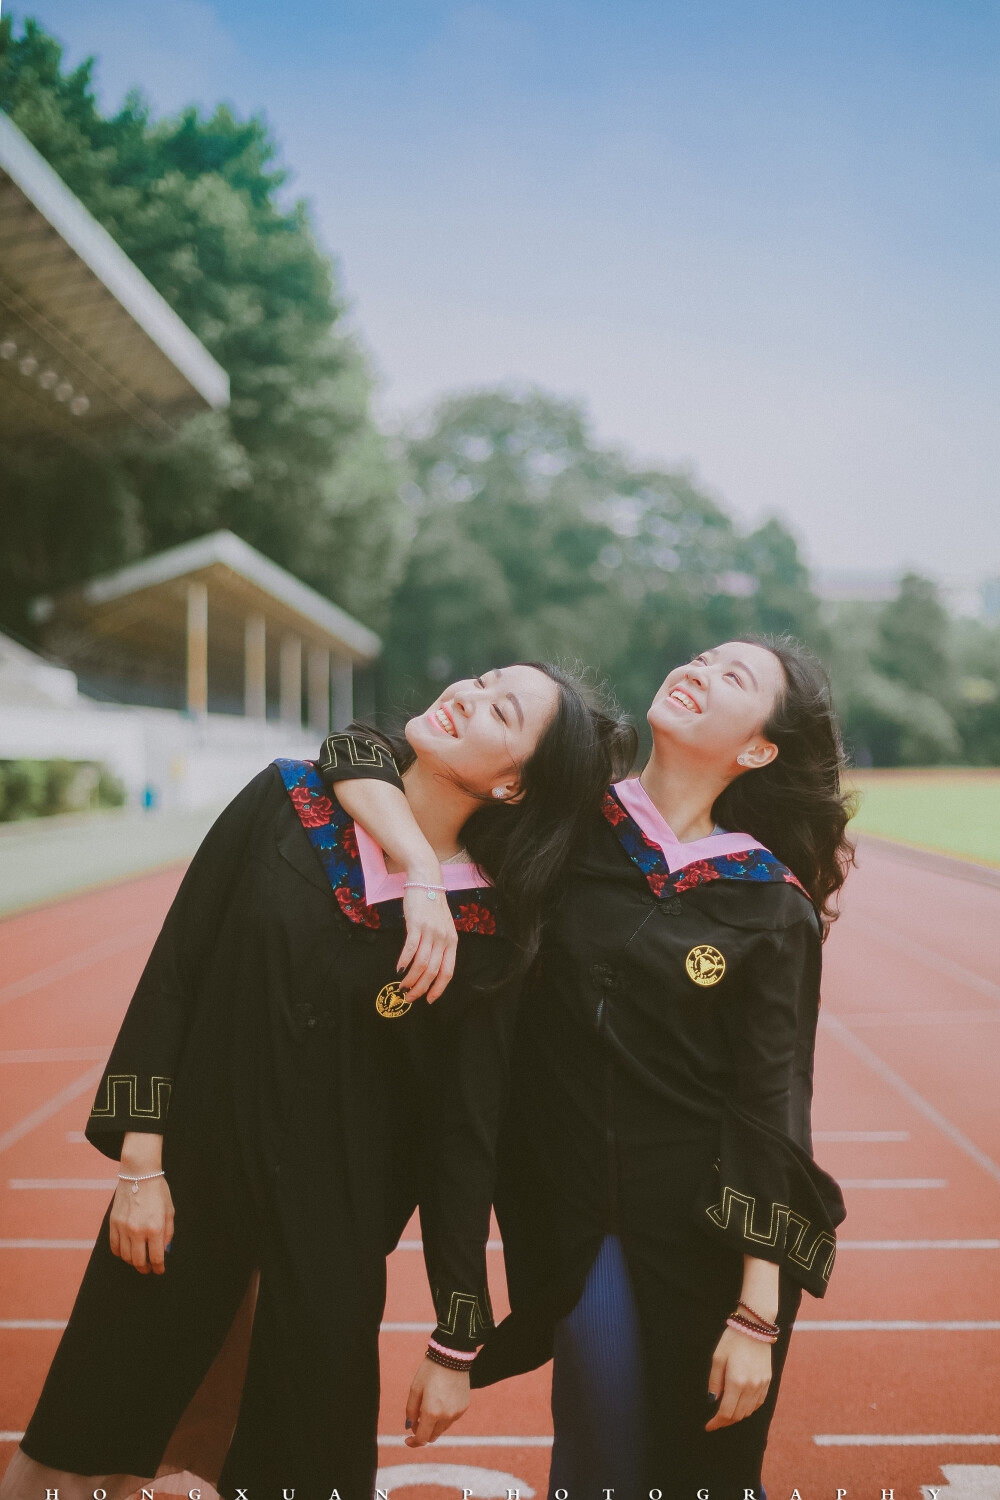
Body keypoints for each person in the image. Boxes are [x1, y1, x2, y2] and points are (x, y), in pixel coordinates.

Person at [2, 663, 633, 1500]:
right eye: (479, 680)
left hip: (326, 1255)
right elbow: (174, 976)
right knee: (78, 1455)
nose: (465, 695)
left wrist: (456, 1339)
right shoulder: (286, 802)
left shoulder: (485, 937)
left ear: (513, 785)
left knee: (299, 1471)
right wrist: (140, 1167)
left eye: (500, 711)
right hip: (180, 1205)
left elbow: (463, 1143)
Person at [321, 636, 852, 1500]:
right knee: (600, 1456)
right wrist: (419, 866)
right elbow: (351, 752)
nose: (699, 672)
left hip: (711, 1242)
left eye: (734, 679)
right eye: (704, 658)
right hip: (583, 1224)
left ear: (757, 749)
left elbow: (772, 1107)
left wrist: (758, 1312)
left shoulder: (768, 904)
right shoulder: (564, 826)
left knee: (707, 1475)